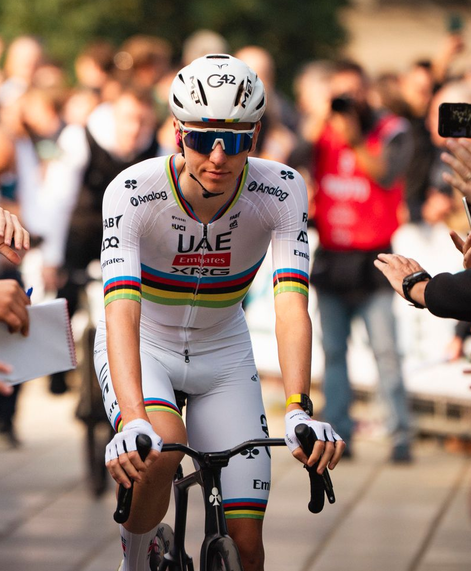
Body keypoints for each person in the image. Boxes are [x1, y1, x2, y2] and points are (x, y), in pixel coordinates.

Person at [99, 54, 343, 571]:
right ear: (176, 132)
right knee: (163, 447)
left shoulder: (281, 189)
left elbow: (291, 304)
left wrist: (298, 408)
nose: (217, 156)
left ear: (255, 136)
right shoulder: (133, 192)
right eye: (200, 139)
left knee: (247, 545)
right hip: (148, 344)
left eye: (234, 141)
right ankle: (134, 562)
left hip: (224, 351)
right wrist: (134, 419)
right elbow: (121, 311)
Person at [309, 59, 415, 463]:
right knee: (333, 353)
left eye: (354, 92)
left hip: (375, 260)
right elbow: (294, 157)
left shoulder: (391, 130)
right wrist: (319, 121)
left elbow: (385, 174)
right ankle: (339, 434)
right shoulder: (323, 131)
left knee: (386, 352)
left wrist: (353, 140)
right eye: (340, 94)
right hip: (332, 257)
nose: (347, 101)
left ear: (367, 91)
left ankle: (400, 434)